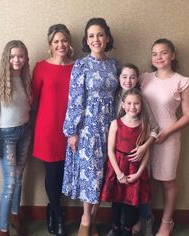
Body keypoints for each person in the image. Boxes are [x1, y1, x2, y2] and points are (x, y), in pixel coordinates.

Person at [62, 17, 118, 236]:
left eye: (100, 34)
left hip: (110, 128)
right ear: (86, 40)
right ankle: (85, 221)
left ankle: (93, 219)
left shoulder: (114, 64)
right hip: (87, 128)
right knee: (90, 175)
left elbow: (120, 95)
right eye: (91, 36)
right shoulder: (81, 65)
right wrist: (72, 132)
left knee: (104, 174)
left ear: (107, 37)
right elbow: (74, 99)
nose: (96, 39)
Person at [139, 38, 189, 236]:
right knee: (144, 180)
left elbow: (188, 114)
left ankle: (166, 222)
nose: (158, 57)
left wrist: (167, 132)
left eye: (163, 52)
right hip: (144, 137)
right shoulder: (144, 78)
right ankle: (146, 218)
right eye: (154, 54)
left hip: (167, 136)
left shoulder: (182, 81)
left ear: (173, 55)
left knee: (167, 180)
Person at [0, 40, 32, 236]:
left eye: (20, 56)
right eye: (12, 56)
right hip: (6, 137)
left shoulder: (25, 78)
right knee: (9, 183)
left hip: (25, 132)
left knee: (19, 179)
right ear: (6, 58)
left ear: (25, 58)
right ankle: (3, 229)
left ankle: (14, 215)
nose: (16, 60)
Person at [32, 24, 74, 236]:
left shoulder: (78, 66)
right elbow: (33, 100)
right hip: (47, 129)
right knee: (52, 173)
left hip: (71, 131)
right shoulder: (40, 67)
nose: (60, 45)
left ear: (70, 43)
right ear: (50, 45)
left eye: (64, 40)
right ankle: (58, 215)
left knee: (65, 174)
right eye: (56, 41)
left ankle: (53, 208)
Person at [101, 88, 153, 236]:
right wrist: (118, 174)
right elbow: (110, 150)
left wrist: (138, 173)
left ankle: (127, 229)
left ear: (141, 105)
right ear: (123, 105)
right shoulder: (115, 123)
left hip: (134, 170)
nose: (132, 107)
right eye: (129, 103)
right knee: (116, 201)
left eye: (136, 103)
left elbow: (146, 153)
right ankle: (116, 227)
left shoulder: (145, 125)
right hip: (118, 168)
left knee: (130, 202)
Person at [114, 63, 159, 234]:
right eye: (124, 76)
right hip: (118, 158)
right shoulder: (114, 97)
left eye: (132, 77)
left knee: (140, 193)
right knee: (119, 194)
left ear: (137, 80)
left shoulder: (141, 100)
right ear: (118, 79)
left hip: (138, 157)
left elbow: (154, 128)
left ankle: (146, 223)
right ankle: (119, 227)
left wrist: (144, 147)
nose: (128, 80)